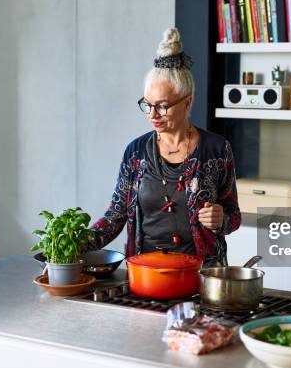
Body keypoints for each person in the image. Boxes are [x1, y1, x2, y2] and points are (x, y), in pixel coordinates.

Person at [86, 28, 241, 266]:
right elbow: (115, 216)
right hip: (145, 273)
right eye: (147, 105)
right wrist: (74, 242)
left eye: (162, 106)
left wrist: (221, 219)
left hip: (203, 275)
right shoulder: (135, 153)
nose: (152, 114)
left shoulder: (217, 150)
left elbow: (234, 216)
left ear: (187, 102)